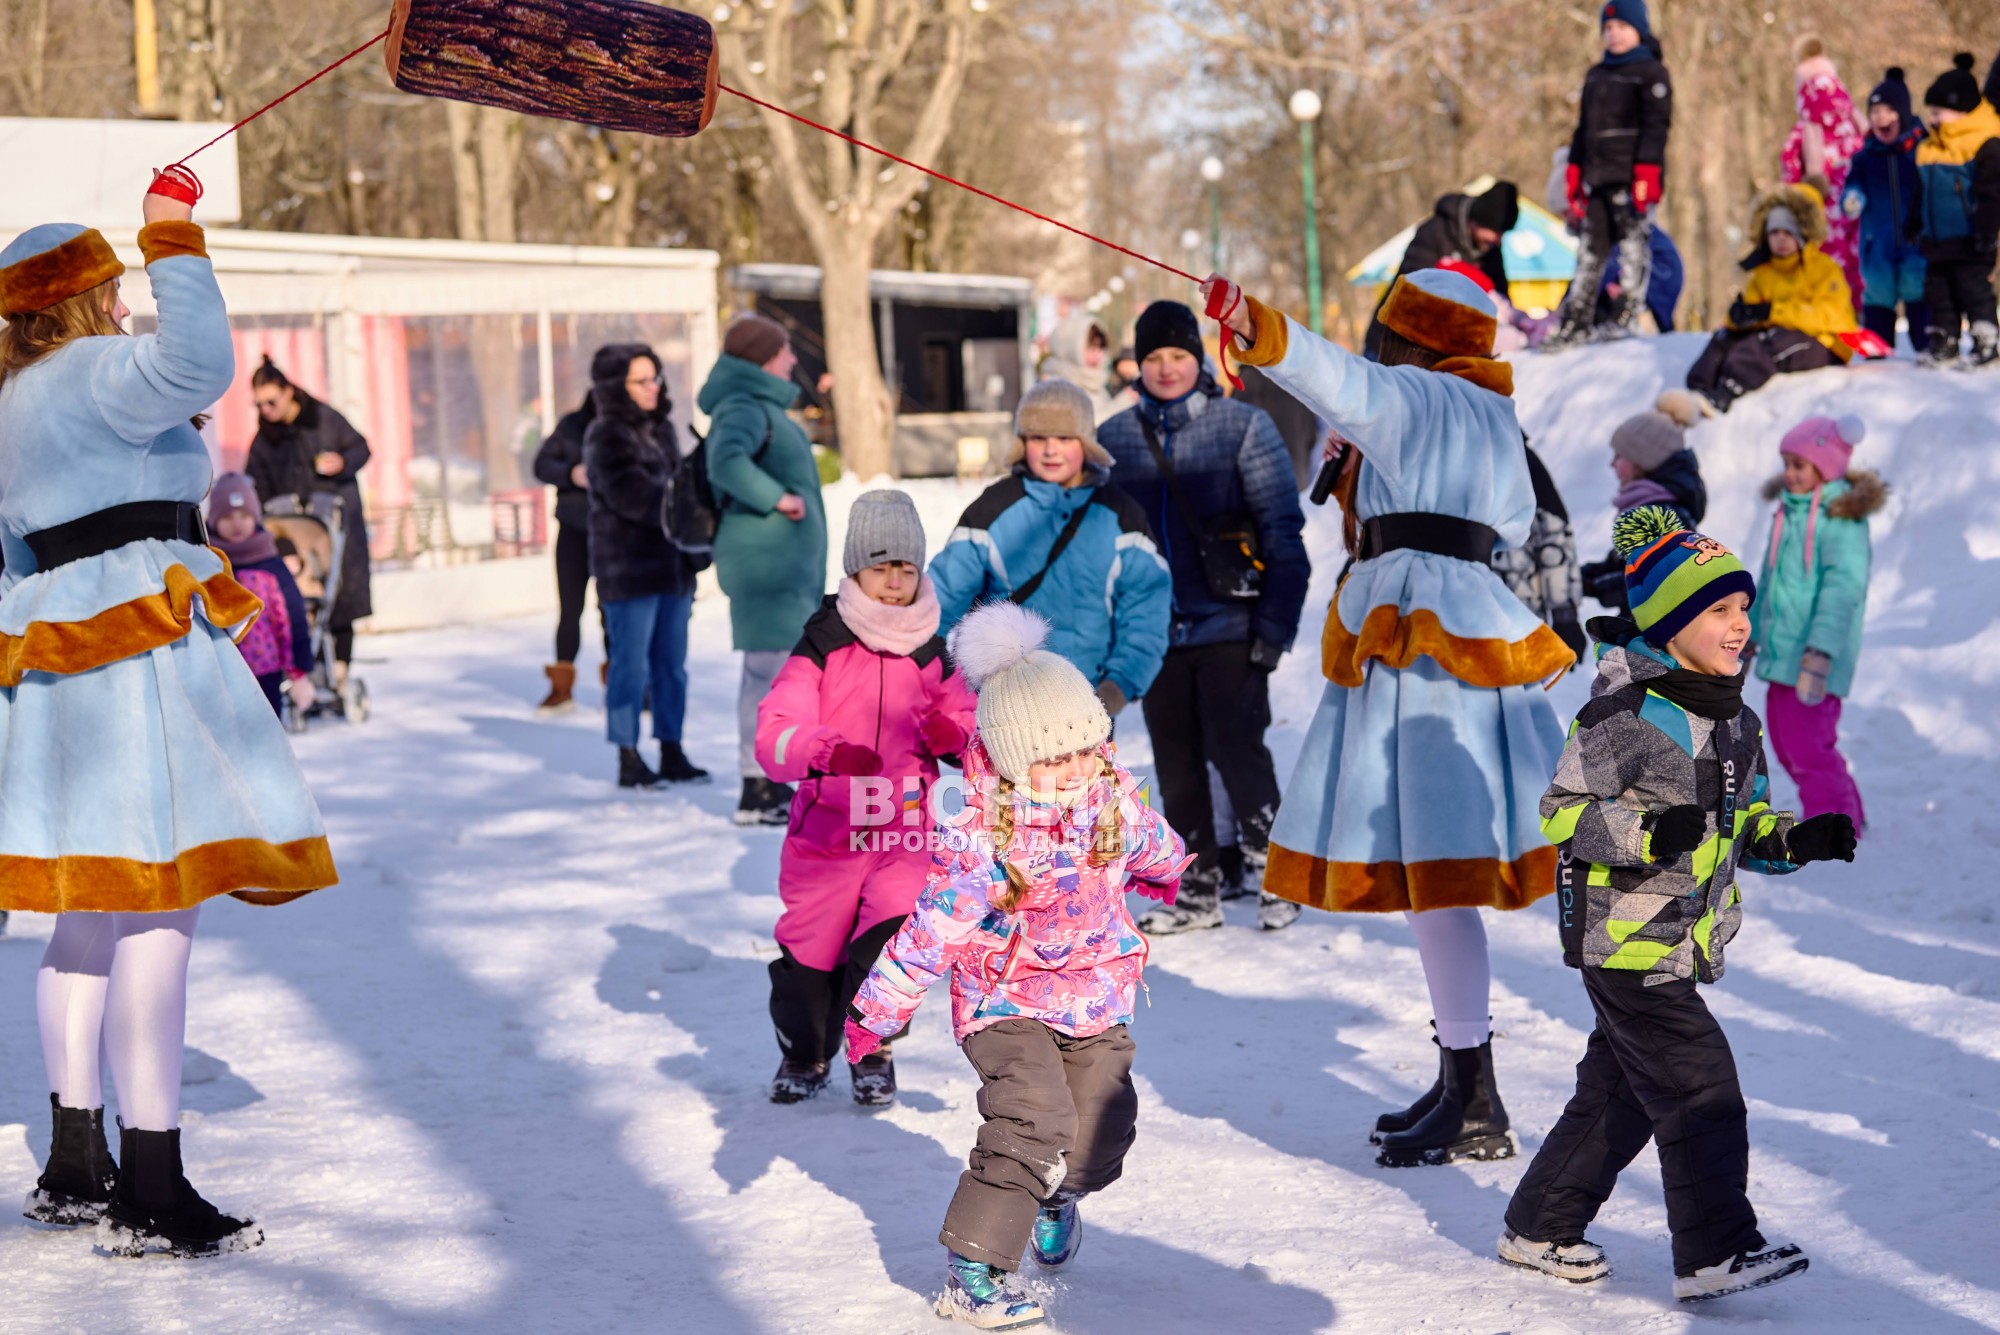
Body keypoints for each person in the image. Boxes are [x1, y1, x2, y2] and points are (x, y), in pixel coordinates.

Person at [0, 185, 335, 1256]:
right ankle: (152, 1181)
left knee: (84, 908)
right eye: (110, 286)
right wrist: (173, 237)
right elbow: (198, 366)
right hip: (139, 646)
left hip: (54, 661)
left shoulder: (3, 404)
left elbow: (10, 555)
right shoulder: (99, 373)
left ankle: (74, 1157)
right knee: (158, 905)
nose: (116, 303)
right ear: (89, 297)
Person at [1207, 266, 1574, 1166]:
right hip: (1466, 614)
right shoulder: (1493, 413)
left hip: (1416, 633)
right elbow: (1518, 521)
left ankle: (1476, 1092)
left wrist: (1258, 323)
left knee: (1435, 868)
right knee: (1438, 871)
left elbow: (1331, 375)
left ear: (1412, 336)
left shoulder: (1411, 396)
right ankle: (1463, 1078)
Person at [1500, 504, 1854, 1303]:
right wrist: (1649, 832)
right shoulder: (1623, 715)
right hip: (1624, 936)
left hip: (1678, 937)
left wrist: (1796, 841)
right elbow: (1561, 811)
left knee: (1622, 1092)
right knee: (1699, 1084)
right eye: (1718, 611)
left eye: (1743, 610)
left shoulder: (1737, 718)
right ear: (1670, 622)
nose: (1739, 627)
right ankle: (1716, 1251)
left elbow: (1746, 823)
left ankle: (1539, 1223)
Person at [844, 601, 1190, 1330]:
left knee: (1099, 1131)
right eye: (1051, 755)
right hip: (1003, 999)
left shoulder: (1112, 799)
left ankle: (1057, 1193)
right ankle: (974, 1268)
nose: (1072, 769)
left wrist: (1166, 869)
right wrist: (875, 1012)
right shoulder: (980, 831)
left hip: (1096, 995)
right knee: (1032, 1113)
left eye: (1083, 749)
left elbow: (1158, 843)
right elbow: (929, 931)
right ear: (1008, 755)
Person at [754, 490, 978, 1107]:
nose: (894, 581)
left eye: (906, 567)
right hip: (827, 831)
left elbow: (969, 719)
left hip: (904, 829)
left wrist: (953, 734)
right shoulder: (823, 645)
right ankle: (804, 1052)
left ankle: (871, 1047)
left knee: (889, 941)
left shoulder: (935, 650)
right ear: (855, 570)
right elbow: (775, 730)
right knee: (810, 955)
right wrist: (824, 751)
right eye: (880, 567)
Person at [1096, 300, 1310, 934]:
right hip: (1153, 631)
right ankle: (1196, 888)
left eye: (1179, 356)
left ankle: (1273, 873)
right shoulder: (1113, 441)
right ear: (1140, 363)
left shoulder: (1242, 426)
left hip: (1230, 623)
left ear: (1198, 359)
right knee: (1175, 762)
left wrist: (1275, 627)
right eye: (1155, 357)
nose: (1166, 368)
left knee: (1239, 752)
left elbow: (1282, 531)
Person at [930, 379, 1170, 717]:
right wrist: (935, 674)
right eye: (1038, 437)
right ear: (1021, 443)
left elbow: (1147, 609)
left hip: (1090, 700)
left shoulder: (1121, 514)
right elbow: (942, 598)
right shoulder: (992, 509)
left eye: (1065, 438)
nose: (1050, 449)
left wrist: (1118, 685)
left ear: (1087, 443)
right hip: (1008, 702)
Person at [702, 315, 827, 826]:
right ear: (761, 358)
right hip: (766, 570)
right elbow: (725, 461)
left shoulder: (758, 406)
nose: (792, 359)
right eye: (783, 351)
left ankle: (767, 782)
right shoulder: (744, 407)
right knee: (769, 679)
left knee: (774, 677)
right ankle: (760, 786)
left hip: (777, 568)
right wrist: (779, 500)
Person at [1749, 415, 1884, 833]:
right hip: (1781, 654)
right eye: (1786, 463)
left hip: (1813, 659)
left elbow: (1843, 588)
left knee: (1809, 748)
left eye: (1799, 465)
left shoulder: (1839, 517)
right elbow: (1769, 581)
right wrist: (1749, 631)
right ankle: (1845, 815)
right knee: (1789, 748)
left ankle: (1832, 827)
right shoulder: (1789, 513)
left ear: (1824, 467)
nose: (1789, 474)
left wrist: (1820, 651)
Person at [586, 342, 705, 789]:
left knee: (671, 665)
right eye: (643, 379)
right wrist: (685, 502)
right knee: (629, 666)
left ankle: (671, 747)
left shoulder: (664, 430)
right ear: (617, 386)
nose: (654, 386)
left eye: (656, 377)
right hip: (629, 571)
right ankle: (628, 753)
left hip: (673, 568)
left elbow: (677, 487)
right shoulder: (605, 433)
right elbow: (631, 495)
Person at [1545, 0, 1671, 349]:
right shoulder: (1596, 75)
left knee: (1633, 247)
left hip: (1633, 179)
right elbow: (1584, 128)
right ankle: (1576, 319)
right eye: (1608, 28)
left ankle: (1625, 313)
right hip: (1598, 178)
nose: (1614, 34)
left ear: (1638, 30)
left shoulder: (1651, 73)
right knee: (1590, 251)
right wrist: (1573, 168)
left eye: (1622, 28)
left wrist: (1648, 172)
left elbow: (1656, 127)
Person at [247, 355, 373, 679]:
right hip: (291, 531)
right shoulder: (264, 439)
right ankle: (308, 668)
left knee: (342, 594)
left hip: (336, 520)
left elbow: (361, 448)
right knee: (301, 597)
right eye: (258, 405)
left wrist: (341, 463)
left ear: (288, 391)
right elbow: (255, 483)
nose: (266, 411)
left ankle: (341, 669)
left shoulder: (325, 419)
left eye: (271, 402)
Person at [1684, 184, 1859, 412]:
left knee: (1770, 342)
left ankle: (1729, 390)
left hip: (1825, 344)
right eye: (1774, 233)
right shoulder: (1764, 272)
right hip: (1782, 334)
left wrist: (1772, 312)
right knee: (1726, 337)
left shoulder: (1824, 269)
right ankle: (1697, 391)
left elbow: (1832, 317)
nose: (1780, 240)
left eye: (1788, 233)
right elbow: (1755, 312)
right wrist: (1741, 317)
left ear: (1802, 234)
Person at [1579, 390, 1708, 611]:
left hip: (1655, 639)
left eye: (1619, 456)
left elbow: (1652, 582)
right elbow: (1624, 563)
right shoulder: (1649, 506)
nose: (1612, 464)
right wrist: (1581, 576)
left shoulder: (1661, 515)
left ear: (1643, 461)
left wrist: (1594, 587)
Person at [1364, 180, 1519, 359]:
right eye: (1495, 232)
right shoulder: (1434, 233)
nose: (1498, 240)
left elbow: (1499, 296)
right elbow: (1412, 289)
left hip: (1441, 350)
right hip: (1391, 343)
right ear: (1477, 221)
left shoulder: (1490, 250)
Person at [1912, 53, 2000, 367]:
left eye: (1939, 112)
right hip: (1935, 241)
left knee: (1974, 293)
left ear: (1961, 110)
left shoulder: (1985, 142)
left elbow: (1992, 195)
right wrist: (1913, 223)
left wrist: (1986, 234)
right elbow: (1919, 192)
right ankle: (1944, 342)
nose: (1933, 118)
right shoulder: (1927, 147)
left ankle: (1986, 344)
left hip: (1970, 239)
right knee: (1939, 295)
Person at [206, 474, 315, 718]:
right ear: (213, 520)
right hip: (220, 670)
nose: (237, 524)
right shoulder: (207, 561)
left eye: (244, 516)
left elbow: (293, 616)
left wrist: (299, 670)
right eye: (227, 517)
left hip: (266, 668)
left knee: (268, 729)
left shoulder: (271, 564)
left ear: (255, 518)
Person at [1844, 67, 1930, 349]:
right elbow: (1853, 187)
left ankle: (1926, 345)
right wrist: (1852, 199)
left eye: (1889, 111)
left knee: (1918, 289)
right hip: (1876, 242)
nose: (1881, 118)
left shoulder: (1921, 150)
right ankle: (1878, 351)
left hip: (1916, 241)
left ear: (1903, 114)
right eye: (1875, 112)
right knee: (1878, 293)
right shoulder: (1864, 158)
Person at [1782, 37, 1868, 311]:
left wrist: (1795, 195)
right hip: (1858, 203)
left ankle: (1830, 312)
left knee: (1826, 259)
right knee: (1857, 258)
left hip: (1822, 207)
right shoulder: (1853, 118)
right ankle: (1859, 310)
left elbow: (1790, 166)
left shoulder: (1804, 130)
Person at [531, 386, 599, 712]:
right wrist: (571, 474)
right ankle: (561, 687)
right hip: (573, 528)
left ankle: (625, 686)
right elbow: (542, 464)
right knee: (570, 609)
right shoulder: (571, 426)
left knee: (615, 612)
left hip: (614, 533)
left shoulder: (630, 427)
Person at [1492, 442, 1586, 663]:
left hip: (1520, 615)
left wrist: (1565, 616)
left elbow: (1554, 539)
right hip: (1470, 614)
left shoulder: (1519, 457)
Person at [1038, 312, 1116, 422]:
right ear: (1070, 348)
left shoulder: (1094, 383)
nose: (1098, 356)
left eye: (1100, 349)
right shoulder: (1055, 387)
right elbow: (1080, 428)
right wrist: (1121, 405)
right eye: (1091, 349)